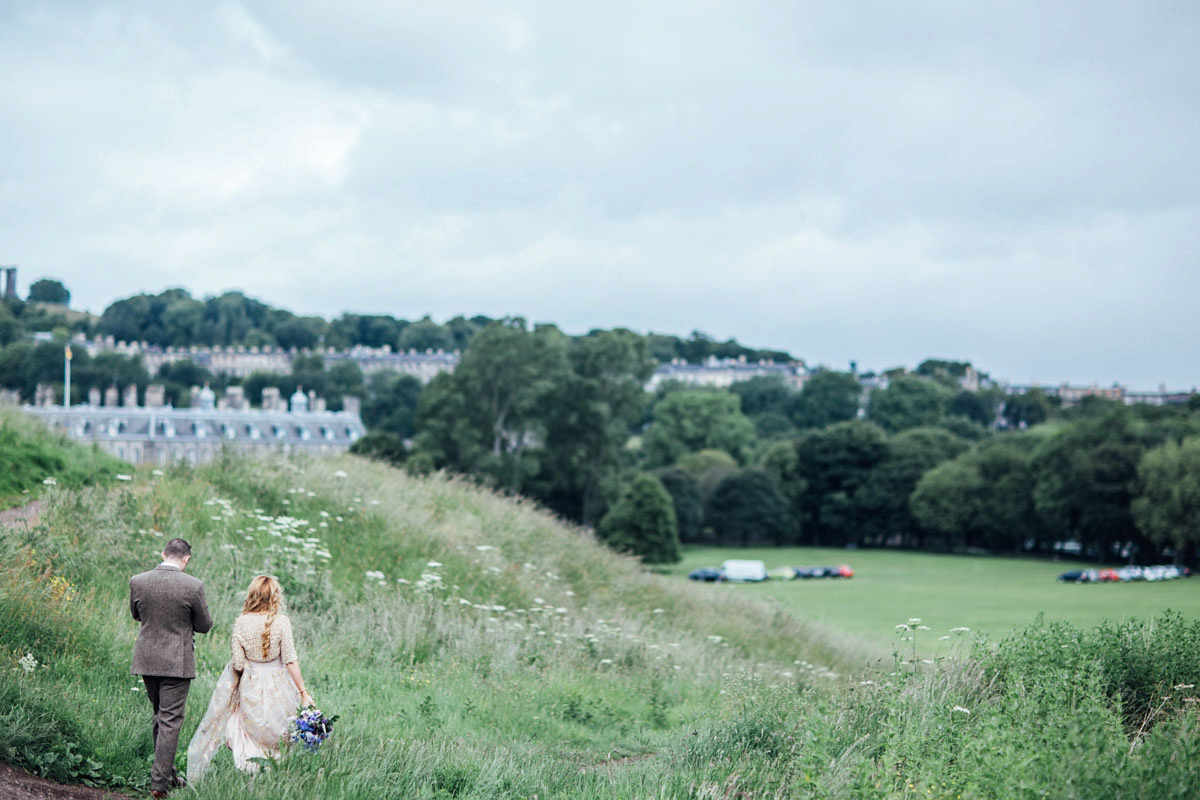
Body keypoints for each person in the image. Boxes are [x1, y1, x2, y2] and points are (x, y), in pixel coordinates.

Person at [186, 575, 314, 782]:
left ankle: (252, 770)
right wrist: (303, 693)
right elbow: (290, 659)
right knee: (279, 727)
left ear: (252, 595)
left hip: (251, 682)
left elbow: (237, 663)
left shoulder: (241, 622)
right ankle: (277, 773)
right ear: (275, 597)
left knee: (251, 726)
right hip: (278, 683)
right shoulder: (282, 622)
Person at [130, 538, 214, 799]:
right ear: (186, 559)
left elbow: (136, 614)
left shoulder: (138, 581)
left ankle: (166, 773)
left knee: (160, 715)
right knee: (169, 720)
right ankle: (159, 784)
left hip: (147, 659)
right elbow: (204, 625)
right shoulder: (193, 586)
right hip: (176, 662)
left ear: (163, 553)